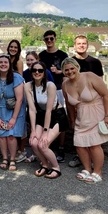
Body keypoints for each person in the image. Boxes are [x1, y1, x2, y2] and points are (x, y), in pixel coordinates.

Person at [61, 57, 108, 184]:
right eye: (66, 70)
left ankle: (98, 172)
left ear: (77, 67)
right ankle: (87, 169)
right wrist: (72, 120)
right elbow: (69, 105)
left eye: (72, 68)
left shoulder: (89, 76)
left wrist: (107, 115)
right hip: (81, 117)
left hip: (97, 113)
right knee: (79, 143)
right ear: (63, 71)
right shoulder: (65, 85)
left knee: (95, 144)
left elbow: (106, 95)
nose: (70, 72)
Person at [69, 35, 104, 169]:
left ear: (87, 45)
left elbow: (101, 85)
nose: (81, 45)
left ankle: (96, 163)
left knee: (95, 136)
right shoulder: (70, 62)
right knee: (80, 134)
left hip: (93, 103)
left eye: (84, 43)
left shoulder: (95, 62)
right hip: (77, 103)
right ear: (74, 45)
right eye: (79, 43)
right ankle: (82, 158)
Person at [0, 55, 26, 171]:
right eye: (0, 62)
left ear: (9, 65)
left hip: (15, 110)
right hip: (0, 110)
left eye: (5, 62)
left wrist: (14, 118)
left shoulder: (16, 78)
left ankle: (12, 159)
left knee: (11, 135)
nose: (3, 64)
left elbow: (19, 99)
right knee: (2, 135)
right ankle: (4, 158)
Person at [25, 61, 63, 179]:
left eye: (40, 70)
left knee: (43, 144)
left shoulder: (50, 85)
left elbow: (49, 110)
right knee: (33, 142)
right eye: (34, 70)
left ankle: (56, 168)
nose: (37, 72)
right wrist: (33, 130)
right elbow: (32, 109)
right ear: (31, 72)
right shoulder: (28, 86)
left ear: (44, 72)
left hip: (56, 116)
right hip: (41, 116)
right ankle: (45, 164)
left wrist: (45, 132)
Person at [39, 30, 68, 162]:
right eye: (47, 39)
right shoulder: (41, 55)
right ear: (44, 41)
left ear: (55, 39)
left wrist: (59, 71)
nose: (49, 41)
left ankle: (61, 148)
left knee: (60, 119)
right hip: (45, 90)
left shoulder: (63, 55)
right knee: (47, 118)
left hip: (59, 89)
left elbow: (69, 72)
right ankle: (47, 146)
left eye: (51, 38)